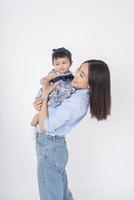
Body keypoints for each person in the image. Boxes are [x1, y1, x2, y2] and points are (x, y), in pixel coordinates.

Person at [32, 59, 111, 200]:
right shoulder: (75, 93)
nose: (75, 75)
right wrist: (43, 104)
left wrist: (44, 97)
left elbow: (45, 127)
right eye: (78, 69)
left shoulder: (76, 102)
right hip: (54, 147)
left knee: (51, 195)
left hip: (49, 147)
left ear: (91, 84)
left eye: (81, 75)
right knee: (61, 193)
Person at [31, 47, 74, 128]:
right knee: (44, 111)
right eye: (57, 64)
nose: (61, 66)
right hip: (51, 95)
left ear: (71, 63)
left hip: (59, 99)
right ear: (53, 65)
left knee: (51, 115)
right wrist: (44, 80)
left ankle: (39, 127)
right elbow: (45, 79)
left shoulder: (71, 76)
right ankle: (32, 126)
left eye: (64, 63)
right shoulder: (54, 73)